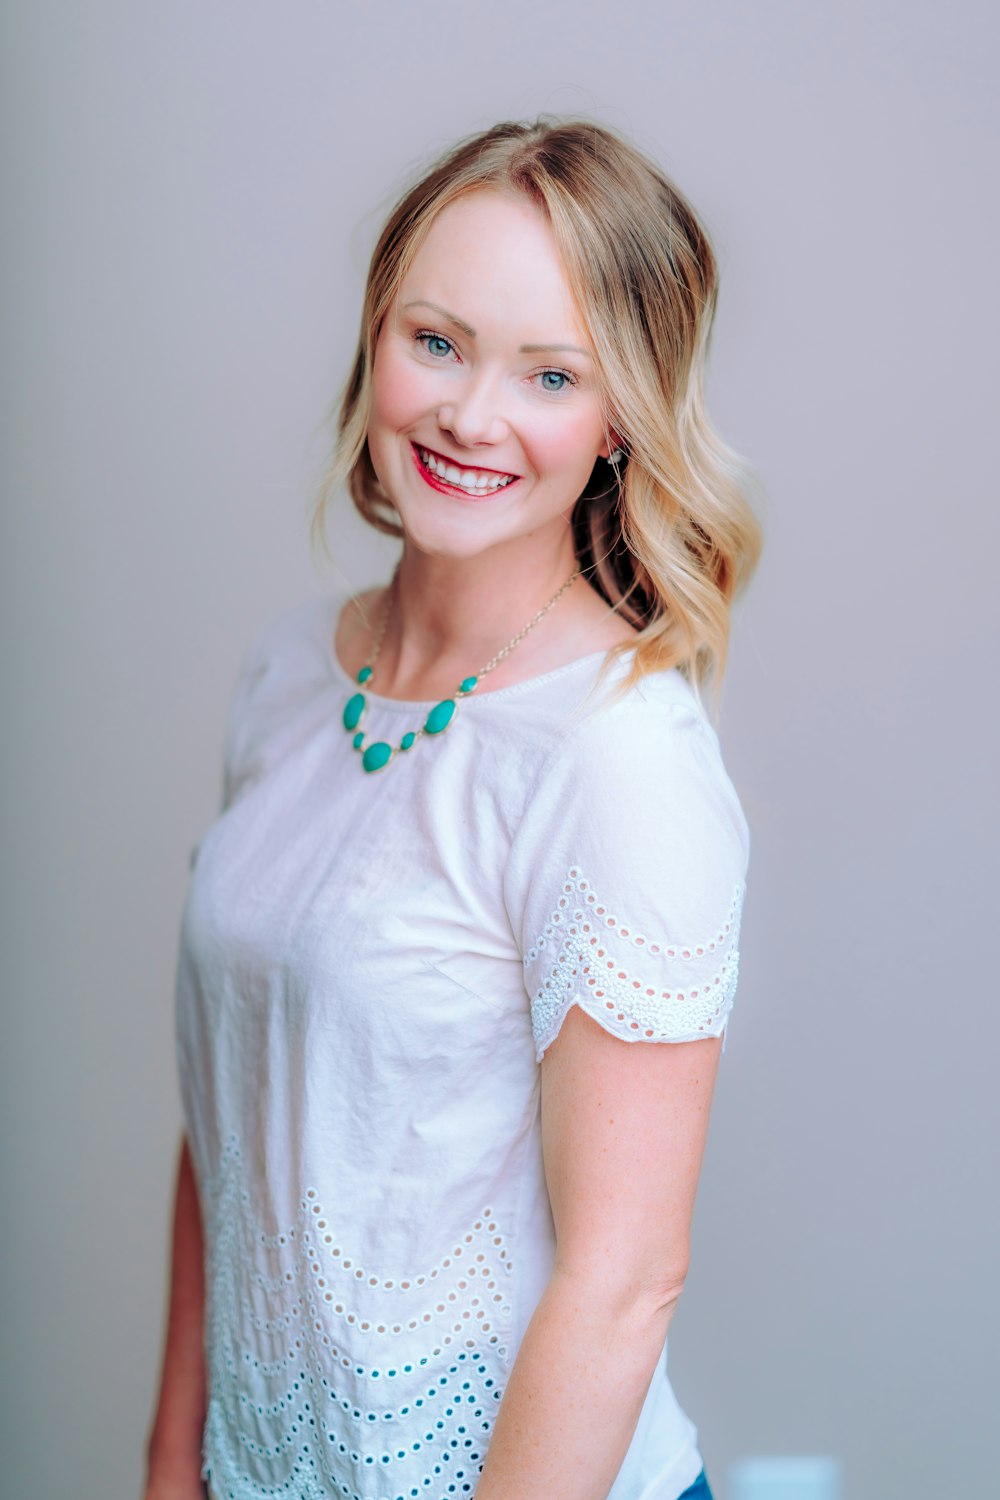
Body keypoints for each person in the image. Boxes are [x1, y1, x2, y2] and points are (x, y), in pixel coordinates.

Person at [144, 117, 762, 1500]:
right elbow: (235, 1123)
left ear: (618, 423)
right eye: (437, 341)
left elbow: (624, 1283)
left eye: (550, 373)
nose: (471, 415)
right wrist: (171, 1460)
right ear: (376, 337)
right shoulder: (288, 673)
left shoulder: (619, 760)